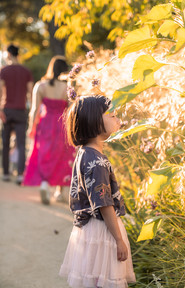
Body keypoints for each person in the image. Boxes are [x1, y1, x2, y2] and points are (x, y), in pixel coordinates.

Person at [59, 95, 136, 288]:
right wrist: (118, 239)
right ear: (94, 120)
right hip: (103, 230)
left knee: (93, 280)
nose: (118, 119)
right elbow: (104, 203)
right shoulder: (97, 162)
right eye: (112, 115)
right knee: (103, 280)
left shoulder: (84, 153)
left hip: (90, 231)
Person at [23, 56, 75, 205]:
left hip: (45, 124)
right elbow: (71, 110)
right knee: (62, 155)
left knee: (44, 154)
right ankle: (59, 191)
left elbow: (34, 110)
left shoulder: (41, 86)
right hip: (62, 124)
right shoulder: (67, 88)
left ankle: (45, 183)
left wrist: (31, 127)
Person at [0, 44, 33, 184]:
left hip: (6, 110)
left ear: (8, 54)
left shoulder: (4, 71)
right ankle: (20, 174)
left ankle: (6, 173)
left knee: (5, 143)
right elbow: (31, 93)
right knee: (20, 143)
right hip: (21, 110)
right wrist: (31, 109)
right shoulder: (26, 72)